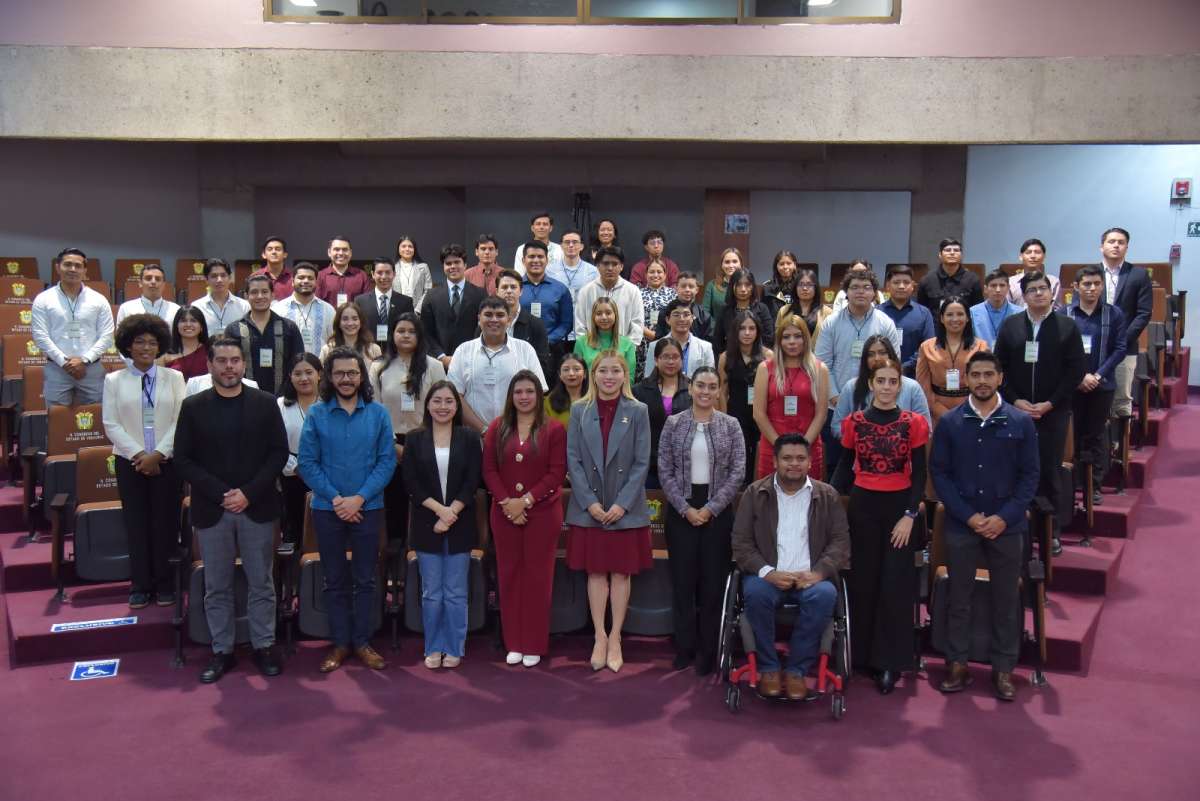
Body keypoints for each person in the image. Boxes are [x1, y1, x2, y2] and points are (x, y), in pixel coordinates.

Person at [173, 337, 288, 683]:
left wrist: (248, 494)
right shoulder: (193, 407)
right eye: (221, 360)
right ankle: (222, 649)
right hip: (213, 509)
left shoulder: (265, 403)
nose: (228, 367)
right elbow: (183, 460)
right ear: (209, 365)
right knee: (217, 586)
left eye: (234, 360)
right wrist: (223, 494)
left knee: (261, 582)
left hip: (257, 506)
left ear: (244, 364)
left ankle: (263, 645)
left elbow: (278, 454)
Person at [931, 351, 1039, 701]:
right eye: (975, 374)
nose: (981, 381)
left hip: (1005, 527)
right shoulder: (950, 422)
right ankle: (956, 663)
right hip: (964, 524)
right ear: (966, 379)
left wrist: (1003, 518)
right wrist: (969, 516)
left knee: (1006, 600)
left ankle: (1004, 669)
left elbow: (1030, 477)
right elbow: (940, 476)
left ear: (1000, 378)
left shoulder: (1020, 422)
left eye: (988, 374)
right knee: (958, 598)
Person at [833, 359, 929, 694]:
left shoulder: (913, 423)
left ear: (900, 386)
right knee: (862, 581)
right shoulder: (854, 422)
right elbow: (844, 468)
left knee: (894, 585)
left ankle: (887, 662)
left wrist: (909, 515)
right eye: (881, 381)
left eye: (893, 381)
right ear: (870, 384)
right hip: (862, 507)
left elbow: (920, 475)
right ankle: (857, 656)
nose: (887, 387)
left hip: (899, 511)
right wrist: (828, 503)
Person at [731, 433, 850, 701]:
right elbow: (741, 543)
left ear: (810, 462)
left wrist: (818, 573)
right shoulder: (755, 493)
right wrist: (768, 573)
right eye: (786, 458)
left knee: (825, 595)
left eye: (800, 458)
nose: (793, 464)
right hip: (768, 576)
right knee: (755, 593)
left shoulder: (827, 495)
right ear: (774, 461)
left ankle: (797, 670)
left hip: (812, 577)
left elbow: (840, 542)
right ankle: (770, 668)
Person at [299, 347, 396, 673]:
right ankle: (340, 643)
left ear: (361, 376)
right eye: (339, 373)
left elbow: (386, 462)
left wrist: (360, 498)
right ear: (329, 377)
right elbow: (307, 464)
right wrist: (338, 500)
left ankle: (363, 642)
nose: (346, 379)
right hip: (328, 510)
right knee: (335, 580)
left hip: (369, 508)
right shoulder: (316, 413)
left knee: (367, 579)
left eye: (352, 373)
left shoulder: (379, 414)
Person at [565, 351, 653, 673]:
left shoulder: (639, 411)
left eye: (616, 370)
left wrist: (621, 504)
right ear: (594, 373)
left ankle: (616, 636)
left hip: (623, 508)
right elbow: (572, 460)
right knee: (596, 572)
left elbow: (643, 461)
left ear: (625, 375)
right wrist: (589, 502)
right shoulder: (579, 410)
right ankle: (599, 636)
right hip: (590, 507)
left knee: (620, 573)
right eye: (604, 370)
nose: (610, 376)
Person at [658, 366, 745, 674]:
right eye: (700, 386)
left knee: (712, 586)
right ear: (691, 388)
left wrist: (710, 509)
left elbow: (737, 473)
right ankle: (685, 647)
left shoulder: (731, 425)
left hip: (717, 514)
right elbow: (664, 469)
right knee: (683, 584)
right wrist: (685, 508)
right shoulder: (673, 424)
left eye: (712, 386)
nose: (706, 392)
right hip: (682, 511)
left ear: (719, 391)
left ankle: (709, 651)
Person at [993, 270, 1086, 555]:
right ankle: (1015, 527)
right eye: (1032, 289)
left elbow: (1075, 371)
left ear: (1051, 292)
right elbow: (999, 368)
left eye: (1043, 288)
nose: (1038, 293)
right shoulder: (1011, 326)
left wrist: (1051, 403)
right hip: (1015, 411)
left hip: (1052, 412)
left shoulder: (1067, 326)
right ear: (1024, 295)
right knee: (1012, 469)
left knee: (1048, 471)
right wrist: (1014, 400)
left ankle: (1050, 530)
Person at [483, 371, 567, 668]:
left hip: (542, 514)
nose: (524, 397)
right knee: (509, 577)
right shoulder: (497, 427)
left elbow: (556, 473)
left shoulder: (554, 430)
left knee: (537, 578)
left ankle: (533, 643)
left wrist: (525, 502)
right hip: (504, 514)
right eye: (518, 391)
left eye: (529, 391)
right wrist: (508, 504)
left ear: (538, 395)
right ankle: (514, 642)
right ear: (511, 396)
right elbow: (489, 470)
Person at [102, 314, 186, 608]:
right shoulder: (114, 380)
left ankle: (165, 583)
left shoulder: (174, 378)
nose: (146, 347)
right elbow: (111, 424)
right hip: (130, 462)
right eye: (140, 342)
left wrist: (158, 454)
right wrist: (140, 455)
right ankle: (139, 584)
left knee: (165, 523)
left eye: (152, 342)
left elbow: (180, 420)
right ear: (128, 345)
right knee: (136, 524)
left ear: (160, 345)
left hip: (166, 461)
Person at [402, 380, 481, 669]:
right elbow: (410, 482)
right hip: (427, 523)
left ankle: (454, 645)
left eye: (449, 401)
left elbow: (473, 480)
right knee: (432, 592)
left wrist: (452, 512)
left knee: (456, 592)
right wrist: (439, 511)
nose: (443, 406)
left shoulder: (470, 438)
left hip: (460, 522)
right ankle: (433, 645)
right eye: (437, 401)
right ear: (428, 405)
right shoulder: (414, 438)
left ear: (457, 406)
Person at [814, 269, 901, 476]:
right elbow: (821, 363)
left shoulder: (885, 322)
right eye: (854, 287)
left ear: (874, 293)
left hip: (877, 406)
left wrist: (878, 400)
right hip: (837, 408)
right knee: (838, 468)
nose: (860, 292)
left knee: (874, 466)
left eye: (866, 287)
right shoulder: (832, 323)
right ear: (845, 292)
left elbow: (893, 363)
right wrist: (835, 397)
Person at [371, 312, 447, 541]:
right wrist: (392, 446)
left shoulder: (433, 366)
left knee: (426, 498)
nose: (406, 335)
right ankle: (396, 553)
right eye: (400, 330)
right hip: (390, 444)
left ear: (420, 335)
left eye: (411, 331)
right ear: (392, 334)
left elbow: (443, 406)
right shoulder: (379, 367)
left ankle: (422, 546)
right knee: (394, 500)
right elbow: (374, 410)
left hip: (427, 441)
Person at [1065, 265, 1128, 507]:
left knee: (1095, 435)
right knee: (1074, 435)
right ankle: (1074, 484)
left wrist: (1097, 376)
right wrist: (1080, 377)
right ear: (1076, 287)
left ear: (1102, 286)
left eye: (1096, 284)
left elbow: (1120, 349)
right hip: (1072, 386)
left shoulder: (1114, 314)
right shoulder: (1064, 314)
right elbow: (1061, 351)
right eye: (1087, 284)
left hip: (1102, 386)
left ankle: (1094, 485)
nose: (1092, 288)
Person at [447, 296, 547, 433]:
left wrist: (517, 429)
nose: (494, 320)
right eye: (488, 315)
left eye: (500, 315)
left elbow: (538, 392)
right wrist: (483, 430)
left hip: (517, 434)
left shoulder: (525, 349)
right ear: (478, 319)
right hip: (474, 436)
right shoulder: (463, 351)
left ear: (509, 320)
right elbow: (455, 395)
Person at [30, 247, 114, 406]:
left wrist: (84, 360)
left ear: (85, 270)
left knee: (95, 421)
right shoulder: (43, 299)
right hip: (57, 370)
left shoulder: (99, 299)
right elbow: (40, 336)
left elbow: (107, 336)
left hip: (92, 370)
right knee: (57, 421)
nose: (73, 269)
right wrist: (64, 363)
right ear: (57, 268)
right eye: (67, 264)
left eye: (78, 266)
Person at [754, 311, 830, 480]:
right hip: (773, 447)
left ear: (805, 339)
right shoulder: (765, 368)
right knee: (770, 501)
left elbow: (821, 414)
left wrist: (801, 449)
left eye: (797, 336)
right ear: (779, 341)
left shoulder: (820, 369)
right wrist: (781, 448)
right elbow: (759, 414)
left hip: (807, 448)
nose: (792, 342)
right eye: (786, 337)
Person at [1096, 227, 1152, 420]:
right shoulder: (1090, 273)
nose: (1116, 245)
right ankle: (1096, 445)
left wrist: (1121, 340)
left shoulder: (1138, 275)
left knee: (1121, 398)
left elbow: (1143, 313)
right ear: (1101, 246)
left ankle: (1119, 447)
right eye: (1111, 241)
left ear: (1127, 247)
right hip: (1093, 346)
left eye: (1121, 242)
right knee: (1093, 396)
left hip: (1125, 348)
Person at [831, 334, 931, 439]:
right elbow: (837, 426)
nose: (877, 358)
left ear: (891, 355)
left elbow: (925, 428)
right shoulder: (851, 387)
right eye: (871, 354)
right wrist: (863, 439)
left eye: (882, 353)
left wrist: (899, 440)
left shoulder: (912, 388)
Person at [224, 274, 306, 396]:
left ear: (272, 295)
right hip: (244, 399)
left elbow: (298, 364)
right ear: (246, 296)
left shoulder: (289, 328)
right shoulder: (234, 330)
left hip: (283, 400)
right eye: (254, 292)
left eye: (264, 292)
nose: (260, 296)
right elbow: (229, 366)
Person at [718, 309, 772, 485]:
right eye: (742, 328)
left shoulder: (768, 356)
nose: (747, 333)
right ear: (735, 331)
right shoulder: (726, 357)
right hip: (736, 413)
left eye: (752, 328)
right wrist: (725, 422)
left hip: (762, 414)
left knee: (759, 456)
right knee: (739, 459)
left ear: (758, 331)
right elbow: (722, 392)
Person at [916, 297, 991, 424]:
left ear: (967, 318)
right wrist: (940, 411)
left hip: (972, 411)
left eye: (960, 314)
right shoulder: (926, 347)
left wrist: (971, 410)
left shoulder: (981, 347)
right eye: (949, 315)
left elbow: (986, 383)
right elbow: (923, 385)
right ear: (941, 318)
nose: (955, 319)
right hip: (936, 413)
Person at [632, 338, 692, 489]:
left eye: (675, 357)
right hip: (650, 465)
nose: (671, 361)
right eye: (666, 357)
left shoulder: (693, 389)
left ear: (681, 359)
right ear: (656, 360)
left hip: (683, 465)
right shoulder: (640, 391)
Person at [277, 353, 321, 545]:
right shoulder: (280, 405)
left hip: (325, 471)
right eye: (298, 373)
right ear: (290, 376)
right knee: (294, 528)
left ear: (320, 374)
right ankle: (294, 570)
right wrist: (296, 467)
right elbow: (274, 444)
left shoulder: (331, 403)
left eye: (309, 372)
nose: (304, 378)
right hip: (292, 473)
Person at [421, 244, 486, 370]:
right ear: (443, 266)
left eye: (457, 262)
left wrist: (468, 355)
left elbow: (483, 328)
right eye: (448, 263)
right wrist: (442, 357)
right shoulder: (431, 296)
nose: (453, 267)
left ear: (465, 265)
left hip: (472, 363)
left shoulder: (480, 294)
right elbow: (425, 332)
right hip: (439, 365)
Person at [573, 246, 646, 349]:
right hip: (592, 353)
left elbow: (637, 325)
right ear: (597, 266)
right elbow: (580, 325)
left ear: (621, 266)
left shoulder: (633, 291)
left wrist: (627, 350)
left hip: (622, 353)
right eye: (606, 264)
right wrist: (588, 351)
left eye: (615, 264)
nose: (610, 268)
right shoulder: (586, 291)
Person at [518, 243, 573, 370]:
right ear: (523, 260)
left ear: (547, 260)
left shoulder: (560, 289)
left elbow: (567, 323)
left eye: (540, 257)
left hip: (552, 352)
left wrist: (546, 340)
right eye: (531, 256)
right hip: (520, 350)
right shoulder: (515, 288)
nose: (536, 260)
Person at [879, 264, 935, 377]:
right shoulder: (877, 313)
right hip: (882, 373)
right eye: (896, 282)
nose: (901, 286)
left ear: (913, 286)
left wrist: (906, 366)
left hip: (915, 374)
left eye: (906, 282)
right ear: (888, 286)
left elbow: (928, 345)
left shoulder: (924, 313)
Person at [495, 268, 551, 377]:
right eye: (504, 287)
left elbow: (542, 363)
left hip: (524, 385)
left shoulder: (536, 324)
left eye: (513, 287)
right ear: (497, 291)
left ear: (521, 291)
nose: (509, 291)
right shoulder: (488, 324)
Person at [270, 262, 333, 356]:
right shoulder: (278, 309)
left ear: (316, 282)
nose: (306, 281)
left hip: (320, 367)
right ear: (292, 281)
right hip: (289, 367)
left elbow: (333, 341)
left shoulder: (328, 310)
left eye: (310, 278)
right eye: (301, 277)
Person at [353, 257, 416, 349]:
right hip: (369, 351)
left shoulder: (406, 302)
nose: (384, 277)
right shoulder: (360, 301)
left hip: (397, 352)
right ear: (373, 274)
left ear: (394, 274)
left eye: (388, 272)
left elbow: (410, 330)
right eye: (379, 273)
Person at [645, 298, 715, 379]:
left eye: (686, 314)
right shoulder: (654, 346)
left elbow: (709, 379)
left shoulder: (705, 347)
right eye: (676, 315)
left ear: (692, 318)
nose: (682, 319)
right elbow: (648, 380)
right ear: (668, 320)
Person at [711, 268, 775, 356]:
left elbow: (769, 338)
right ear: (732, 286)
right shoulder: (725, 311)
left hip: (758, 359)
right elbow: (717, 341)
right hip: (731, 360)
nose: (743, 289)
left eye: (747, 284)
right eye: (738, 285)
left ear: (753, 286)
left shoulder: (762, 309)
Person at [573, 296, 637, 378]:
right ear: (593, 317)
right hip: (588, 390)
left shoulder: (628, 344)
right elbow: (578, 375)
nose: (604, 317)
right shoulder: (581, 342)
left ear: (615, 315)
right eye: (599, 314)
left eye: (608, 313)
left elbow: (629, 378)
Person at [917, 238, 983, 312]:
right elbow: (922, 312)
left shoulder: (972, 280)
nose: (952, 253)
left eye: (956, 250)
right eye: (948, 250)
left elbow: (978, 310)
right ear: (940, 255)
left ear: (961, 255)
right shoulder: (927, 280)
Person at [545, 229, 598, 321]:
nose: (571, 245)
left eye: (575, 242)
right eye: (567, 242)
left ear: (581, 246)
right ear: (561, 246)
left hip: (584, 321)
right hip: (558, 320)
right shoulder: (549, 270)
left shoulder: (593, 271)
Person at [636, 262, 677, 378]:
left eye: (659, 272)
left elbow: (676, 317)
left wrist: (659, 336)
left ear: (665, 275)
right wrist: (648, 333)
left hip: (666, 340)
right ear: (646, 274)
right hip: (642, 343)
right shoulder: (637, 293)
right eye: (652, 272)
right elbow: (632, 318)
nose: (655, 275)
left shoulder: (673, 294)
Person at [116, 262, 180, 326]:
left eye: (158, 279)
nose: (153, 282)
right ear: (140, 283)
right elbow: (121, 335)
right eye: (148, 278)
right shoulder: (126, 308)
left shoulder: (175, 309)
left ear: (164, 285)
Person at [654, 271, 711, 341]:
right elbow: (658, 341)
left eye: (691, 287)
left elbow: (708, 343)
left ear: (697, 290)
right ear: (676, 288)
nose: (687, 290)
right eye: (683, 286)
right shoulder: (665, 313)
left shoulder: (704, 316)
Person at [315, 235, 371, 307]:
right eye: (337, 249)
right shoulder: (320, 276)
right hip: (328, 318)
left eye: (345, 250)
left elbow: (366, 305)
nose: (341, 253)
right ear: (329, 252)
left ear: (350, 253)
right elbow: (316, 304)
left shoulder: (362, 276)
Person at [972, 269, 1022, 348]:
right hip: (980, 357)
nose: (998, 290)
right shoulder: (973, 312)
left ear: (1008, 288)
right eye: (993, 286)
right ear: (985, 289)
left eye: (1002, 285)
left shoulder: (1020, 313)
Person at [1006, 238, 1061, 309]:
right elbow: (1006, 309)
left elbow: (1056, 309)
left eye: (1037, 252)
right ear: (1021, 257)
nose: (1033, 256)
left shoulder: (1053, 281)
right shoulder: (1011, 282)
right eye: (1028, 252)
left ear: (1044, 257)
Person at [784, 265, 832, 345]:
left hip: (816, 356)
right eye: (801, 284)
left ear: (815, 288)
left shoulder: (827, 312)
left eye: (809, 285)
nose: (805, 288)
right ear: (795, 288)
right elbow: (778, 337)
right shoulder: (784, 311)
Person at [161, 304, 211, 380]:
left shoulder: (210, 351)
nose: (188, 324)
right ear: (176, 325)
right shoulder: (165, 354)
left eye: (193, 321)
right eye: (183, 321)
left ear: (201, 326)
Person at [544, 352, 588, 427]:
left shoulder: (595, 399)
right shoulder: (549, 401)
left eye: (576, 369)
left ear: (585, 374)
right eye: (566, 369)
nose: (571, 373)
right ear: (559, 375)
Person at [701, 247, 743, 325]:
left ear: (741, 264)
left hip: (742, 333)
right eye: (727, 262)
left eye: (735, 261)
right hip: (716, 333)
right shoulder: (712, 286)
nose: (731, 265)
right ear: (721, 265)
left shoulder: (746, 286)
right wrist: (717, 331)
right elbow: (705, 313)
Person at [394, 235, 433, 314]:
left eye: (410, 246)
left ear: (414, 249)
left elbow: (428, 290)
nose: (407, 249)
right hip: (397, 311)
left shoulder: (423, 267)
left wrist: (417, 310)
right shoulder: (392, 268)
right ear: (398, 249)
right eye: (403, 246)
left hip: (418, 312)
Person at [761, 250, 802, 321]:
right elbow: (763, 314)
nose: (785, 267)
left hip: (795, 329)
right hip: (774, 329)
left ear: (794, 265)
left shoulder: (800, 287)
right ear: (776, 266)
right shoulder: (767, 288)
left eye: (789, 263)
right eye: (781, 264)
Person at [252, 235, 294, 301]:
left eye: (278, 249)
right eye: (270, 249)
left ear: (285, 254)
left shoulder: (294, 277)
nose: (274, 252)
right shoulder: (255, 277)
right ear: (264, 255)